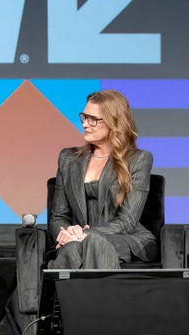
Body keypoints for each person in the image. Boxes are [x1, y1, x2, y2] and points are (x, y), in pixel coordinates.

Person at [48, 90, 157, 269]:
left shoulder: (139, 159)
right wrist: (66, 234)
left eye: (92, 119)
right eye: (84, 117)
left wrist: (85, 234)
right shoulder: (68, 158)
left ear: (114, 122)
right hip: (77, 240)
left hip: (127, 239)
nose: (85, 124)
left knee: (91, 244)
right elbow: (59, 216)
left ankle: (51, 293)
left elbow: (127, 221)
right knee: (77, 247)